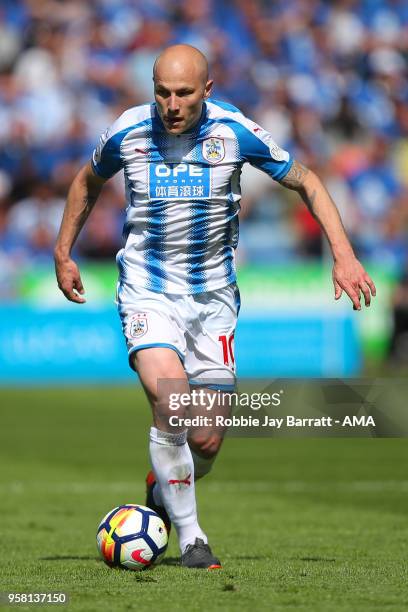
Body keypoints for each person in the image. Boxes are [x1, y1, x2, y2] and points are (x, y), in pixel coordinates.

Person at [54, 44, 376, 569]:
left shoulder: (235, 131)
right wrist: (62, 251)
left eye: (184, 93)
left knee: (205, 439)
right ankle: (192, 537)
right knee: (171, 403)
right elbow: (86, 182)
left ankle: (162, 490)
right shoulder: (127, 132)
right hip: (147, 289)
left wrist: (343, 255)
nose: (172, 104)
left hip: (212, 299)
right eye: (162, 92)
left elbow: (308, 181)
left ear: (208, 89)